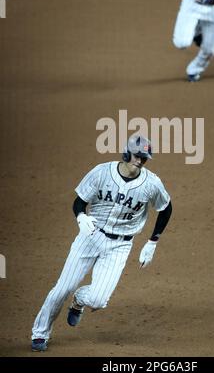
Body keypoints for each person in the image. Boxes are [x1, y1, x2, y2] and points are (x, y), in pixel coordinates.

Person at [31, 135, 172, 352]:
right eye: (137, 156)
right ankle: (40, 334)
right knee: (62, 288)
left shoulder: (151, 183)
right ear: (126, 153)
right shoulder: (101, 172)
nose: (140, 161)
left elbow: (166, 208)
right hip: (91, 236)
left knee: (97, 300)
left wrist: (152, 242)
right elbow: (79, 201)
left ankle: (79, 300)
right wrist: (81, 217)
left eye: (144, 158)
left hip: (120, 246)